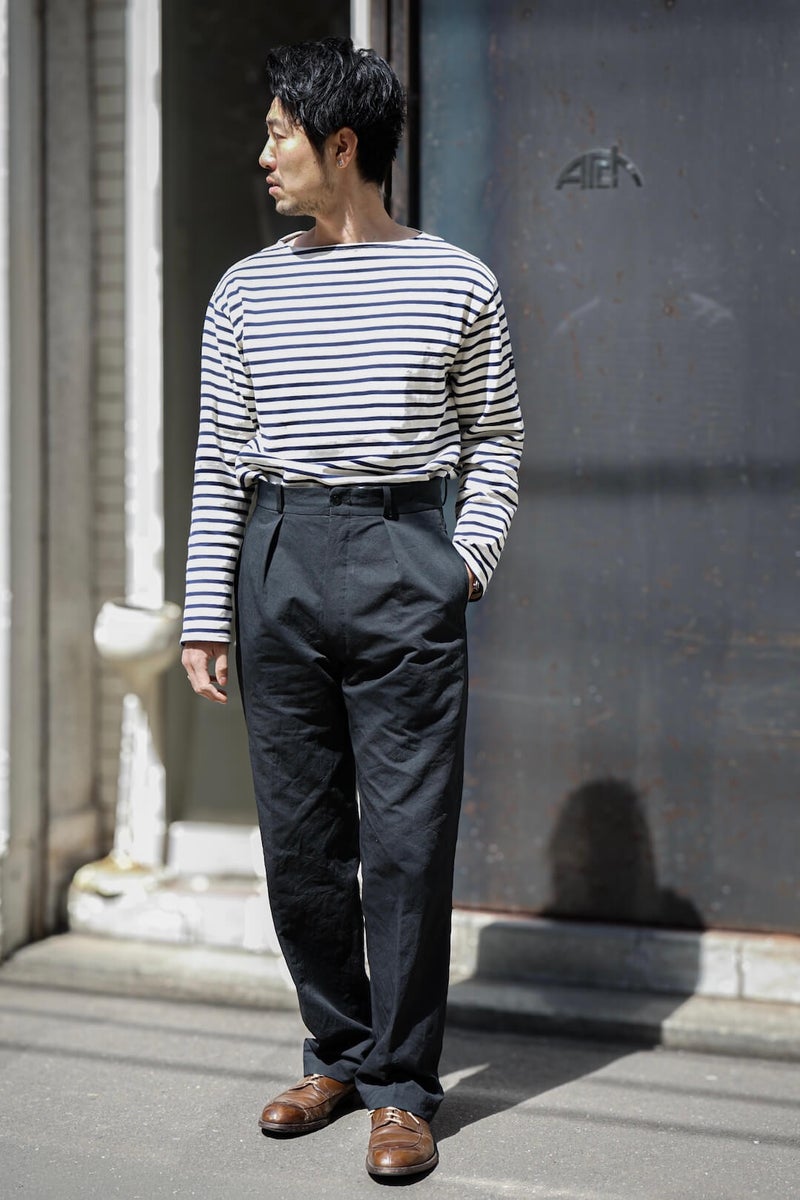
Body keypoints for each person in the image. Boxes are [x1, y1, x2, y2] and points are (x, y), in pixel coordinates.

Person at [181, 36, 523, 1180]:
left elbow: (495, 438)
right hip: (277, 555)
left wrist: (461, 562)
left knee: (407, 842)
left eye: (278, 132)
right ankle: (337, 1053)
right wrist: (205, 609)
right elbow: (219, 459)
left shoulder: (457, 281)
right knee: (300, 841)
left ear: (341, 144)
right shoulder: (245, 290)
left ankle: (402, 1088)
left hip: (402, 552)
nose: (263, 154)